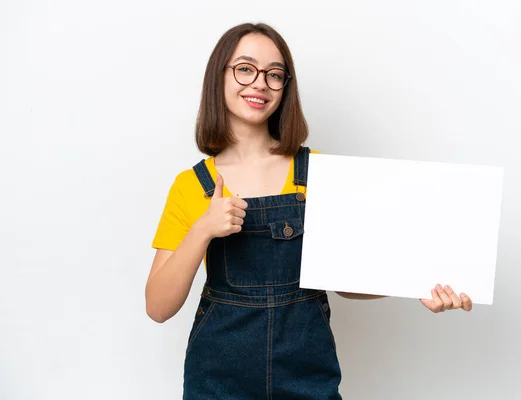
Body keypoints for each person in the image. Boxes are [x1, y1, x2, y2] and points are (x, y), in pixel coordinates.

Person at [145, 22, 473, 399]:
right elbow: (158, 306)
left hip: (306, 375)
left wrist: (419, 283)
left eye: (275, 74)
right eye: (245, 69)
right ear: (218, 76)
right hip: (218, 379)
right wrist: (203, 229)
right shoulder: (190, 185)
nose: (260, 84)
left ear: (286, 87)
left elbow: (347, 281)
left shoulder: (319, 172)